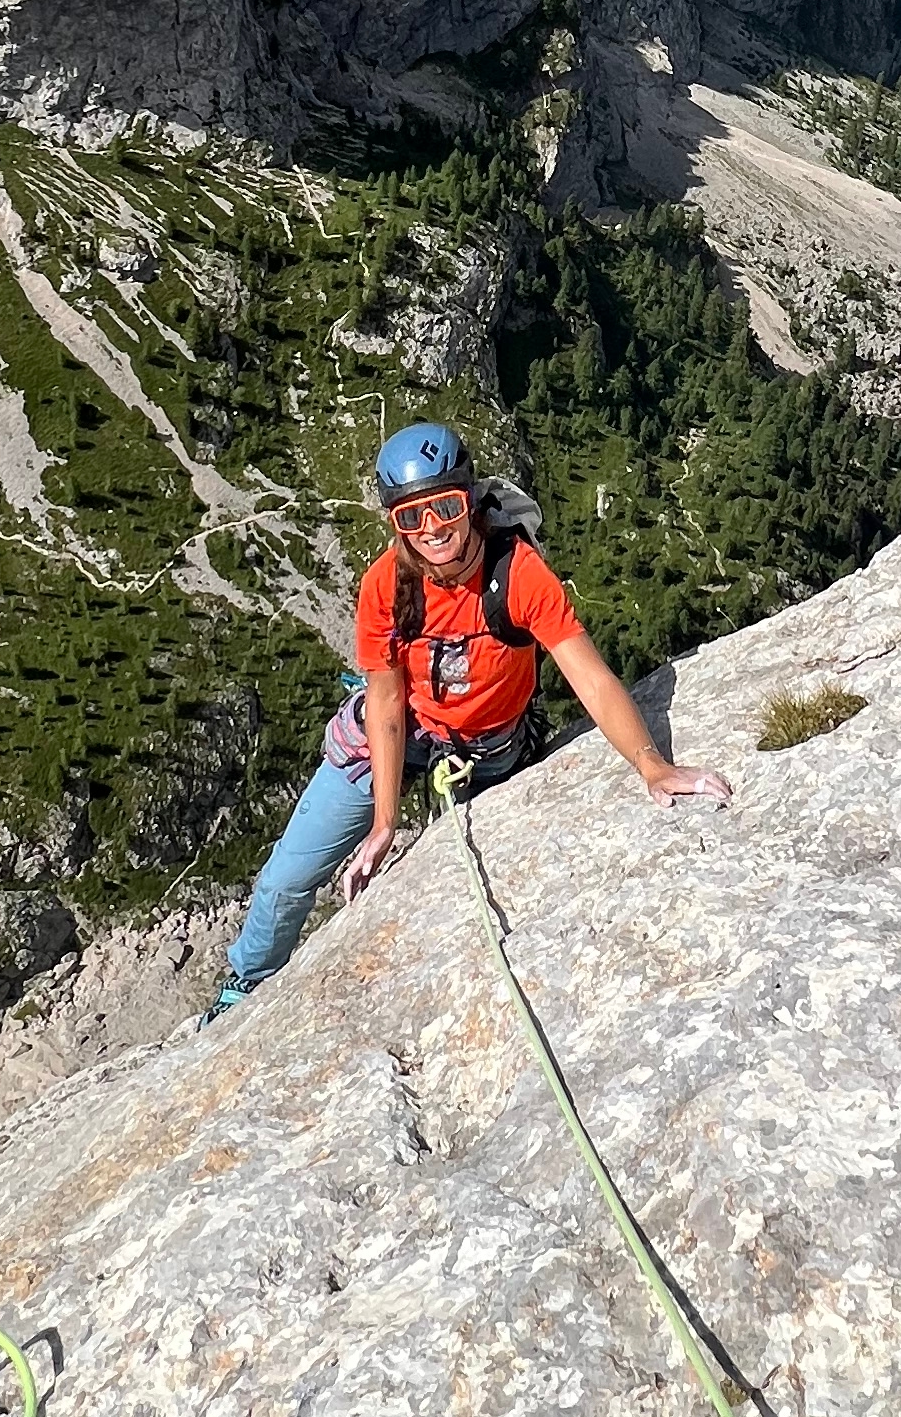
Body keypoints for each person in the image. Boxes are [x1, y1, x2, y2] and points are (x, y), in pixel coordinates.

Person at [214, 422, 731, 1010]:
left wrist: (651, 765)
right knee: (284, 881)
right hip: (398, 732)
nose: (433, 529)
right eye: (412, 517)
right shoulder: (385, 585)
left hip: (486, 753)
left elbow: (585, 672)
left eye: (445, 507)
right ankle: (245, 985)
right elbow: (384, 701)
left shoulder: (516, 574)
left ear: (469, 501)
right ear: (394, 524)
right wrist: (384, 821)